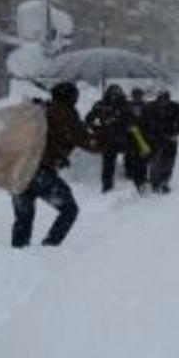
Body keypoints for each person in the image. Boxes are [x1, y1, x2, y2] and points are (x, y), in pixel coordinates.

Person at [11, 82, 99, 248]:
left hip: (17, 171)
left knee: (23, 219)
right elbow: (88, 142)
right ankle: (49, 247)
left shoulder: (39, 110)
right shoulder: (65, 113)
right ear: (71, 98)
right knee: (69, 209)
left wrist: (59, 154)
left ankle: (18, 257)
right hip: (38, 173)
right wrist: (107, 138)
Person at [85, 84, 132, 193]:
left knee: (131, 158)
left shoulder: (125, 105)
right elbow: (89, 119)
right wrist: (98, 127)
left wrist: (116, 120)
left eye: (117, 93)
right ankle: (107, 186)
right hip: (107, 139)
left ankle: (129, 178)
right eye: (112, 93)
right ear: (107, 94)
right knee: (108, 164)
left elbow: (130, 120)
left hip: (123, 138)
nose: (114, 96)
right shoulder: (100, 105)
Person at [143, 90, 179, 193]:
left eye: (165, 98)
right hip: (154, 140)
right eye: (161, 98)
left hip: (170, 140)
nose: (163, 101)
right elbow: (144, 124)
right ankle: (155, 183)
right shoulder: (150, 107)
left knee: (169, 163)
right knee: (155, 163)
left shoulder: (175, 107)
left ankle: (165, 182)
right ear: (158, 98)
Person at [125, 87, 150, 193]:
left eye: (139, 95)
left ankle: (142, 180)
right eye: (135, 95)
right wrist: (128, 126)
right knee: (132, 159)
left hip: (143, 137)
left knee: (143, 159)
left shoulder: (146, 107)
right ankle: (134, 179)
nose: (137, 97)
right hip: (130, 138)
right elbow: (124, 119)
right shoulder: (128, 106)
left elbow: (149, 121)